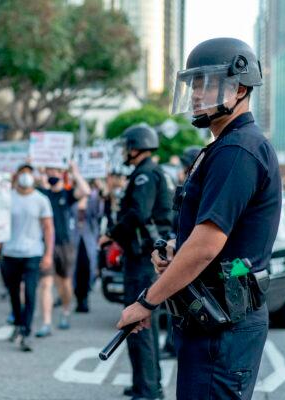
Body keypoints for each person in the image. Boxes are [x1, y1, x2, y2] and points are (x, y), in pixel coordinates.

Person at [117, 38, 281, 400]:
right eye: (192, 84)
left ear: (239, 87)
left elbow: (207, 246)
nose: (195, 94)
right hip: (211, 319)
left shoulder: (238, 149)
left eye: (206, 83)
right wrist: (177, 247)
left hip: (222, 326)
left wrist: (146, 302)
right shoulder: (224, 147)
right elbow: (215, 240)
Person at [98, 123, 172, 400]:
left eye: (128, 146)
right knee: (137, 326)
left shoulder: (145, 175)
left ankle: (149, 389)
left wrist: (110, 235)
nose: (125, 152)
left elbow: (137, 214)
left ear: (137, 146)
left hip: (142, 260)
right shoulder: (146, 173)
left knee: (140, 324)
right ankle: (144, 383)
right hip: (139, 257)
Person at [0, 164, 54, 352]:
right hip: (10, 253)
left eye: (29, 173)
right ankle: (19, 324)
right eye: (23, 173)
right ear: (17, 176)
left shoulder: (41, 200)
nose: (26, 177)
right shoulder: (7, 197)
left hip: (32, 254)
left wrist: (48, 254)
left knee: (29, 293)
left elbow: (48, 228)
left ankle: (26, 332)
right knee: (13, 293)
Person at [36, 163, 90, 336]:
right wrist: (34, 168)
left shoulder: (66, 194)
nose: (52, 173)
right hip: (45, 245)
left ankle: (65, 310)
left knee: (65, 283)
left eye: (55, 170)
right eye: (49, 170)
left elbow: (85, 191)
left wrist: (75, 172)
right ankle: (46, 322)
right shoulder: (43, 194)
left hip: (64, 245)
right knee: (46, 283)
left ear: (61, 173)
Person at [72, 184, 104, 313]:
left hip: (88, 240)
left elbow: (98, 212)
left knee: (87, 269)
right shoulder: (71, 202)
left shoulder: (92, 202)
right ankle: (77, 298)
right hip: (74, 240)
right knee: (74, 271)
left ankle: (85, 297)